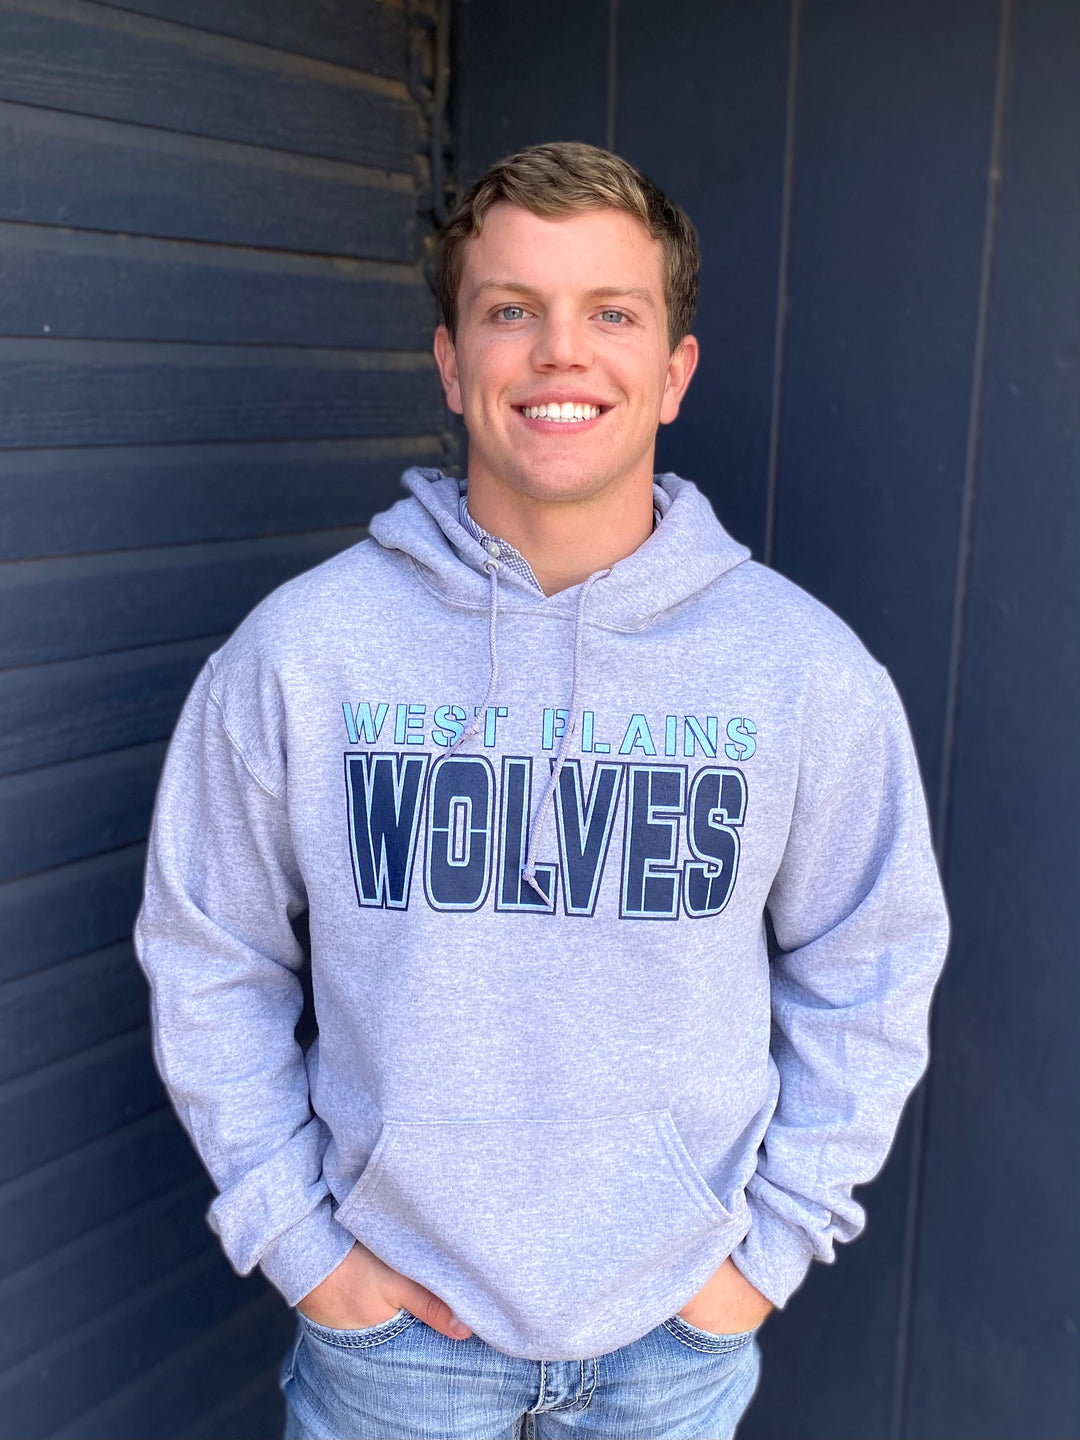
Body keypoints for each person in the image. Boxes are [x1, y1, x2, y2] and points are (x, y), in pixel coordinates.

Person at [134, 142, 949, 1440]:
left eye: (612, 313)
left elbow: (873, 964)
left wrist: (765, 1255)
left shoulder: (803, 671)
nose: (561, 352)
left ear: (674, 371)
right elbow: (208, 955)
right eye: (512, 310)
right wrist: (301, 1246)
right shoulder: (303, 653)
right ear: (452, 361)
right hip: (392, 1357)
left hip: (674, 1346)